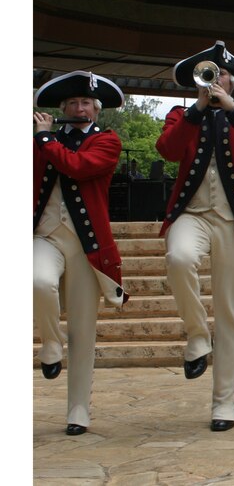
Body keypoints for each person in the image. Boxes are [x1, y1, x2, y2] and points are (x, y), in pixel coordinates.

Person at [157, 41, 234, 432]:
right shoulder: (181, 115)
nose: (215, 79)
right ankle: (196, 335)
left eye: (221, 74)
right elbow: (167, 150)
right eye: (209, 73)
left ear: (231, 82)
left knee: (229, 314)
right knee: (178, 258)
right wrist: (197, 110)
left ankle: (224, 402)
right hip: (191, 214)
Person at [33, 71, 127, 436]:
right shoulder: (42, 140)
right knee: (37, 282)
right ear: (62, 108)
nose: (79, 108)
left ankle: (78, 410)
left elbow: (77, 166)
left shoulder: (107, 141)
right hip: (45, 236)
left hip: (88, 248)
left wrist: (44, 137)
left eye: (85, 102)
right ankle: (50, 342)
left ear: (96, 110)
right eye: (72, 103)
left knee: (84, 330)